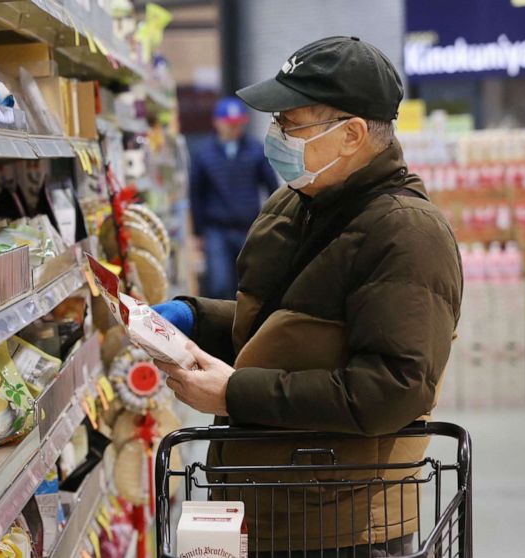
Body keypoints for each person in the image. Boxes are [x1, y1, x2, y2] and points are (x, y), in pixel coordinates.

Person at [154, 36, 463, 557]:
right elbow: (289, 326)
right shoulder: (294, 204)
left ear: (352, 134)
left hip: (345, 522)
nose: (275, 135)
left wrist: (235, 395)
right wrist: (193, 318)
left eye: (291, 123)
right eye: (276, 122)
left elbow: (393, 387)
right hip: (272, 496)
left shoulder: (408, 234)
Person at [189, 97, 279, 299]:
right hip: (216, 230)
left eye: (238, 124)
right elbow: (196, 194)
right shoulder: (203, 154)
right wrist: (198, 233)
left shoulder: (256, 150)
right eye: (229, 124)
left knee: (251, 282)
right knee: (219, 284)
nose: (234, 129)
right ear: (217, 123)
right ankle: (222, 324)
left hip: (249, 227)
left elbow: (273, 189)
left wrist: (272, 224)